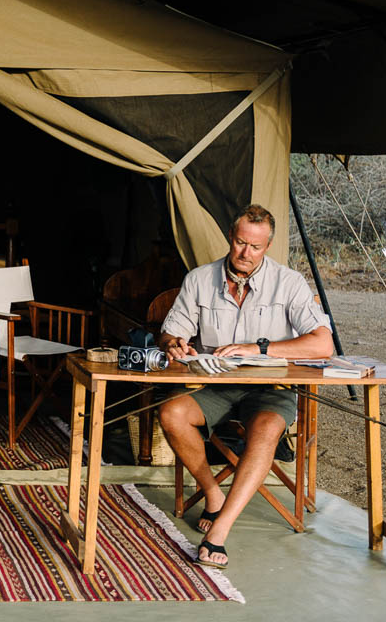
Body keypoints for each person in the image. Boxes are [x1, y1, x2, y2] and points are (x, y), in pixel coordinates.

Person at [156, 204, 333, 568]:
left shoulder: (289, 282)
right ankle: (212, 492)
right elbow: (171, 332)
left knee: (267, 428)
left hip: (270, 387)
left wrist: (260, 348)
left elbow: (323, 345)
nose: (245, 254)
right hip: (216, 383)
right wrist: (174, 343)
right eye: (239, 243)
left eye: (255, 247)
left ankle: (219, 531)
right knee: (171, 413)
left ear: (267, 246)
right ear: (230, 238)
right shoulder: (200, 279)